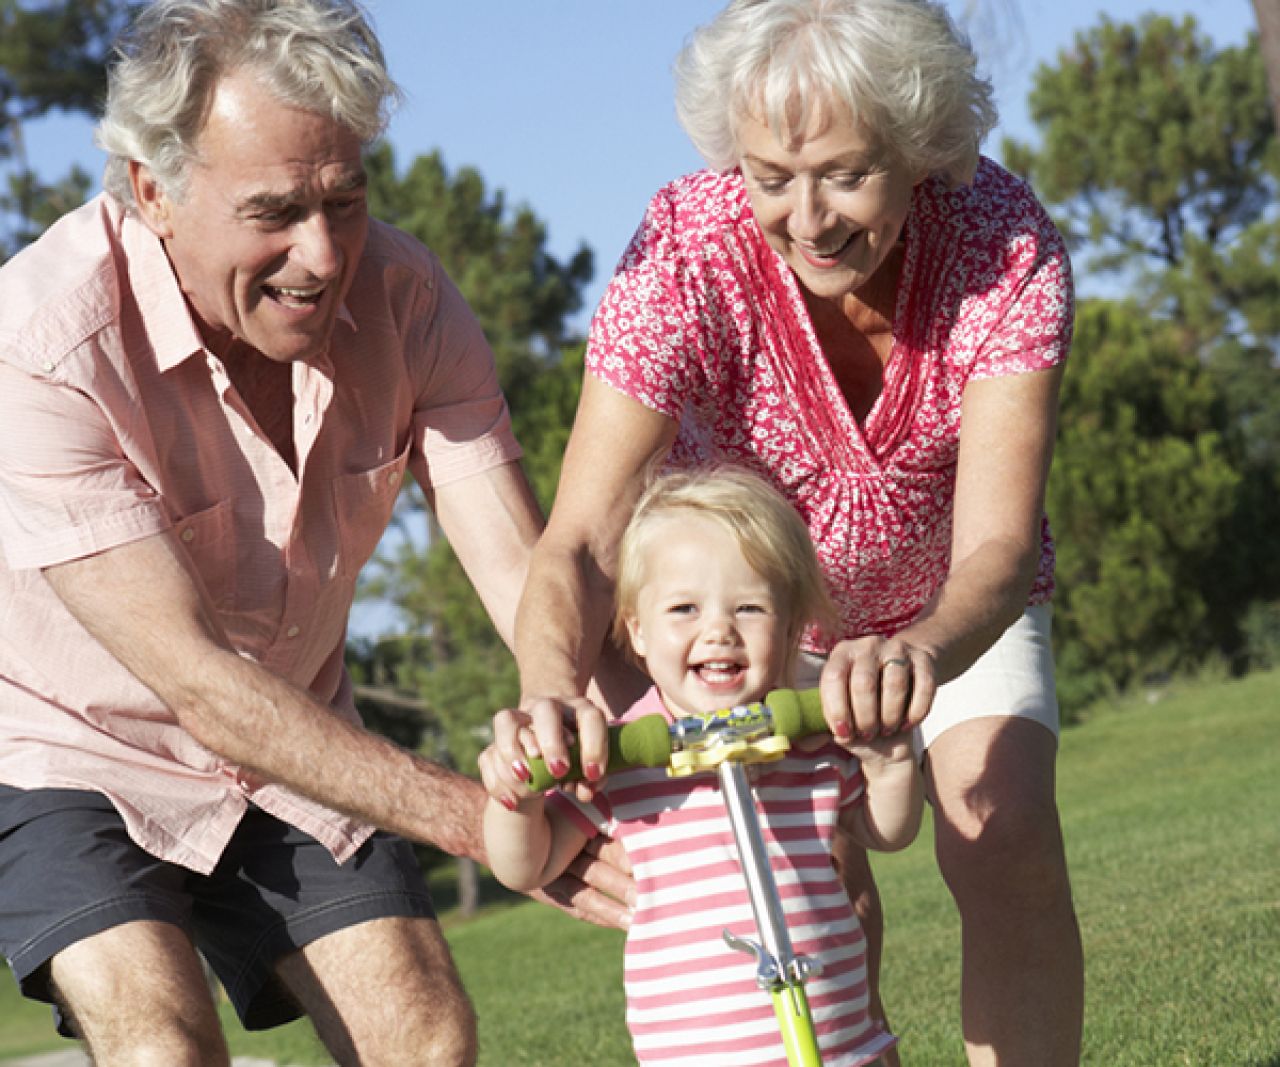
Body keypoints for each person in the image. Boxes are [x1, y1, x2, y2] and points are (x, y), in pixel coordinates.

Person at [0, 1, 628, 1064]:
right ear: (153, 189)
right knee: (162, 1045)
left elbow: (526, 580)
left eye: (346, 198)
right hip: (68, 744)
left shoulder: (410, 300)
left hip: (293, 728)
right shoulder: (42, 344)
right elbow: (200, 684)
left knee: (425, 1038)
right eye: (275, 211)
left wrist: (632, 740)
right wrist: (486, 821)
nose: (324, 252)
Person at [510, 1, 1085, 1064]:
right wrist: (548, 685)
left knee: (998, 827)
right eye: (771, 176)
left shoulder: (1002, 240)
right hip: (760, 613)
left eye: (845, 174)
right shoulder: (684, 250)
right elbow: (581, 538)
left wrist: (912, 653)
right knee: (818, 881)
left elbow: (997, 550)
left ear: (918, 148)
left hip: (949, 603)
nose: (807, 217)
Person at [483, 466, 922, 1066]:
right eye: (685, 609)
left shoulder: (812, 746)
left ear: (792, 627)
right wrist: (519, 795)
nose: (718, 630)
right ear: (637, 630)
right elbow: (523, 863)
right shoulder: (620, 763)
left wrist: (888, 758)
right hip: (700, 1053)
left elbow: (888, 831)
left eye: (748, 608)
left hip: (841, 1042)